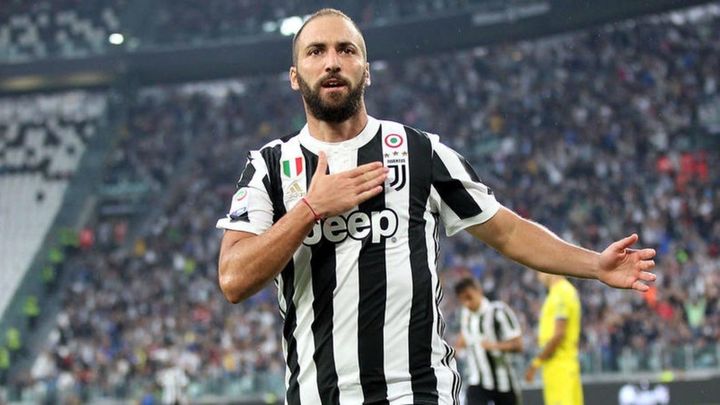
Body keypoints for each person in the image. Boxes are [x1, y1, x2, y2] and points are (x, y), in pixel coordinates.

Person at [216, 8, 656, 404]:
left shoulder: (419, 151)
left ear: (366, 71)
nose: (332, 62)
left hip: (418, 392)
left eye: (346, 50)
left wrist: (595, 264)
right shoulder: (269, 167)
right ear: (295, 76)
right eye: (316, 51)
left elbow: (506, 230)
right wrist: (309, 209)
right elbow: (233, 279)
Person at [455, 277, 522, 405]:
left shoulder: (499, 311)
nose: (467, 304)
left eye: (469, 297)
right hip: (476, 381)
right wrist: (454, 350)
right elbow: (465, 336)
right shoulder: (465, 315)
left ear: (478, 291)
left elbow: (518, 345)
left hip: (504, 382)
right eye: (462, 300)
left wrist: (494, 346)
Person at [524, 274, 583, 405]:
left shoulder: (561, 293)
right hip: (562, 366)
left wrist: (536, 363)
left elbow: (558, 334)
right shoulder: (561, 292)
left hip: (560, 367)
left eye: (540, 271)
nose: (538, 276)